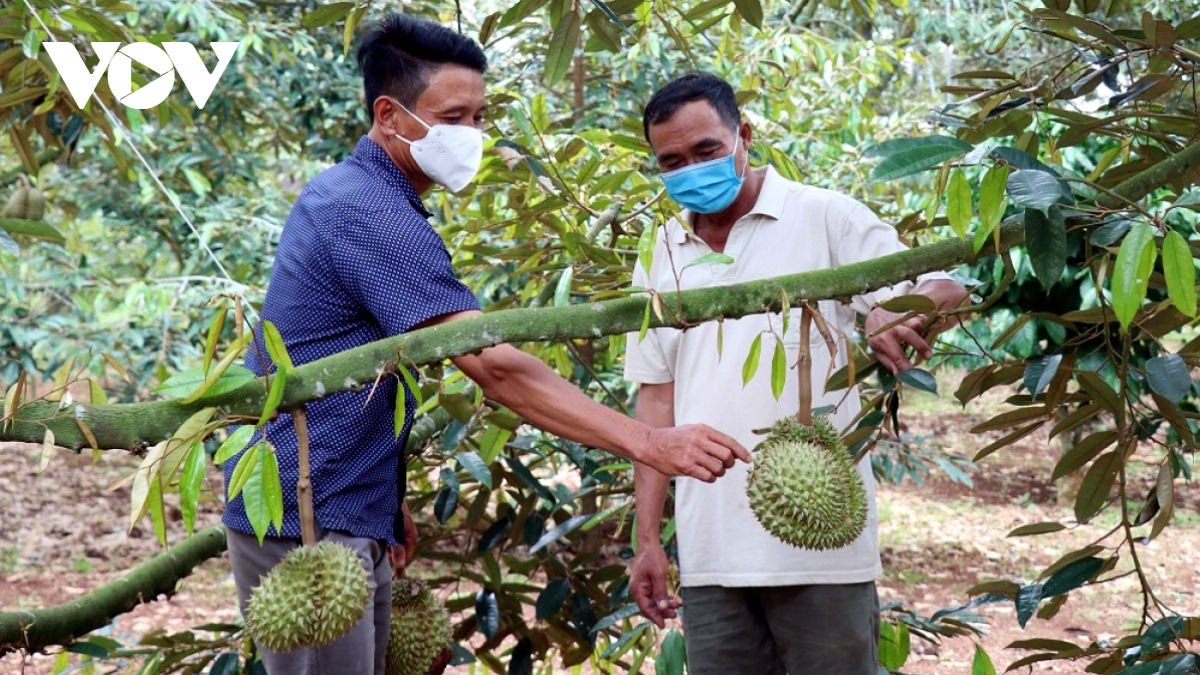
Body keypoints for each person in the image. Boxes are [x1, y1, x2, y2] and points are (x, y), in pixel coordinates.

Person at [221, 20, 750, 675]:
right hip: (304, 514)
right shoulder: (368, 212)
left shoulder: (366, 196)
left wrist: (381, 503)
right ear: (389, 115)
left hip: (339, 504)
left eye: (479, 115)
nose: (471, 134)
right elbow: (494, 367)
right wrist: (649, 442)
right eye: (453, 117)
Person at [625, 73, 969, 675]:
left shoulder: (826, 218)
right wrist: (648, 538)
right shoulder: (662, 248)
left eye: (706, 150)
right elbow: (656, 400)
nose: (691, 169)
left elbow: (949, 286)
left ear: (743, 136)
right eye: (671, 161)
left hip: (823, 553)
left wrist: (897, 311)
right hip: (710, 551)